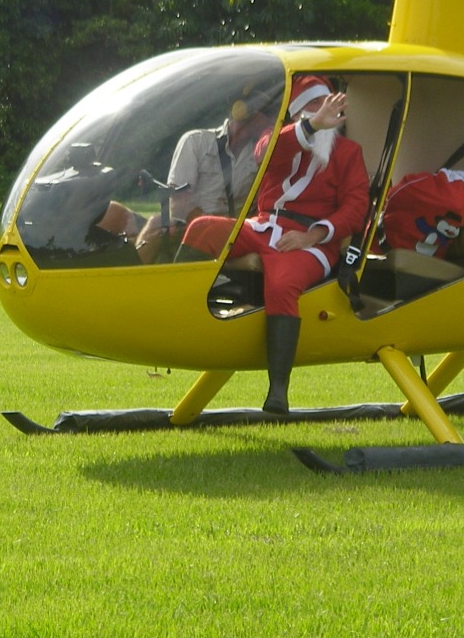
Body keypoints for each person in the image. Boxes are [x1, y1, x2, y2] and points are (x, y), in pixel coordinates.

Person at [183, 75, 368, 413]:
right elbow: (266, 153)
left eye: (330, 106)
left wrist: (313, 235)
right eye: (315, 107)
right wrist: (312, 126)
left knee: (282, 284)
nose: (326, 113)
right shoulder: (276, 138)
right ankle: (181, 316)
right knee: (200, 229)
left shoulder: (350, 152)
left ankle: (278, 392)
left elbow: (356, 209)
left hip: (311, 242)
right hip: (263, 227)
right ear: (299, 113)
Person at [133, 98, 274, 263]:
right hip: (192, 225)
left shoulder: (263, 155)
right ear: (242, 110)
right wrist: (206, 226)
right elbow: (178, 204)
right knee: (156, 223)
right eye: (268, 114)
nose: (271, 122)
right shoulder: (196, 141)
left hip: (233, 232)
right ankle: (128, 281)